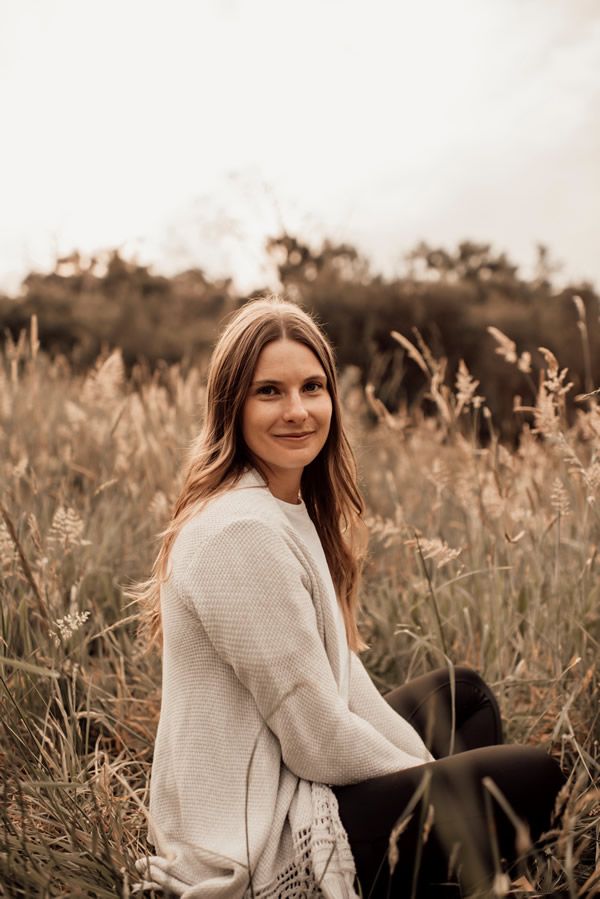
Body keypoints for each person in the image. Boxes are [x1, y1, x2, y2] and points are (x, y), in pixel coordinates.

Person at [129, 296, 566, 898]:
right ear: (231, 404)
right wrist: (430, 776)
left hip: (293, 769)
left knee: (462, 698)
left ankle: (448, 871)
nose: (298, 411)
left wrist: (425, 771)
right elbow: (315, 741)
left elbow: (341, 680)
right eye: (270, 392)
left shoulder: (281, 503)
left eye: (312, 387)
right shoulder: (239, 533)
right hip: (263, 831)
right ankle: (448, 872)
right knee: (537, 776)